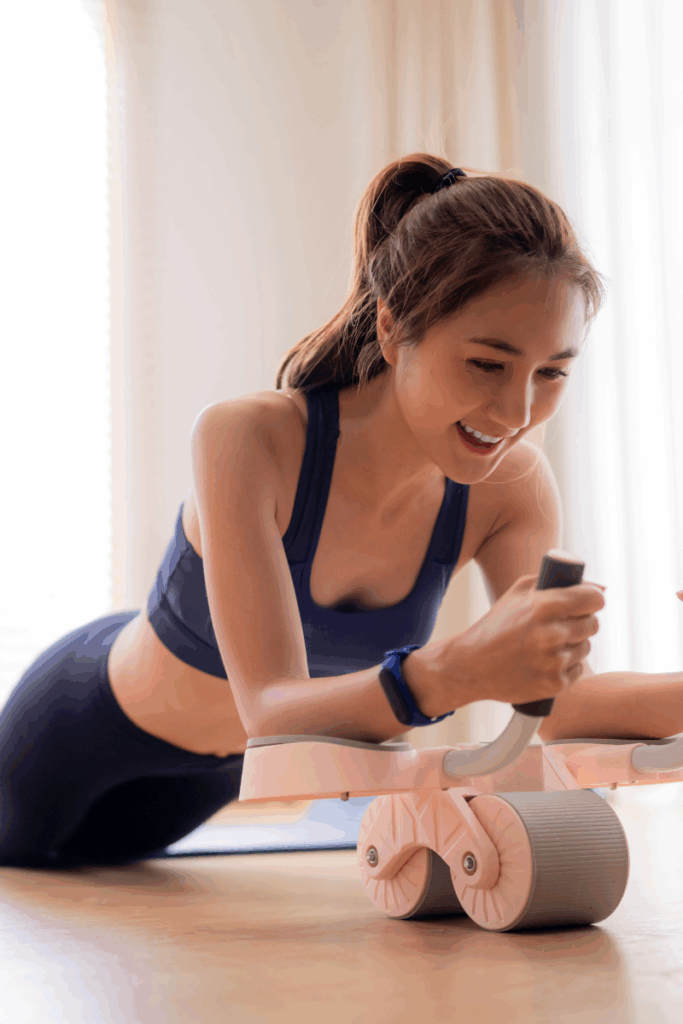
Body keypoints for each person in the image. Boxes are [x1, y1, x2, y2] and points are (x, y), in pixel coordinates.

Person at [0, 154, 677, 870]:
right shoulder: (249, 438)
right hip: (73, 735)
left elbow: (560, 709)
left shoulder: (513, 489)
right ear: (392, 328)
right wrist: (457, 669)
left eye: (551, 373)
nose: (517, 413)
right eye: (486, 364)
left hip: (203, 789)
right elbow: (268, 710)